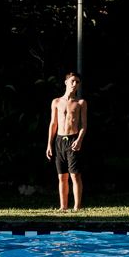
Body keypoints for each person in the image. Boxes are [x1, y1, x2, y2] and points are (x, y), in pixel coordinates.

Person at [47, 72, 88, 211]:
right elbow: (53, 124)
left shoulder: (80, 103)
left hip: (73, 139)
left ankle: (77, 207)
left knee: (75, 175)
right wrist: (49, 144)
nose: (75, 84)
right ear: (66, 82)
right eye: (72, 81)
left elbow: (83, 125)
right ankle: (63, 207)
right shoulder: (56, 102)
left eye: (77, 82)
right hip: (59, 140)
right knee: (62, 177)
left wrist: (79, 140)